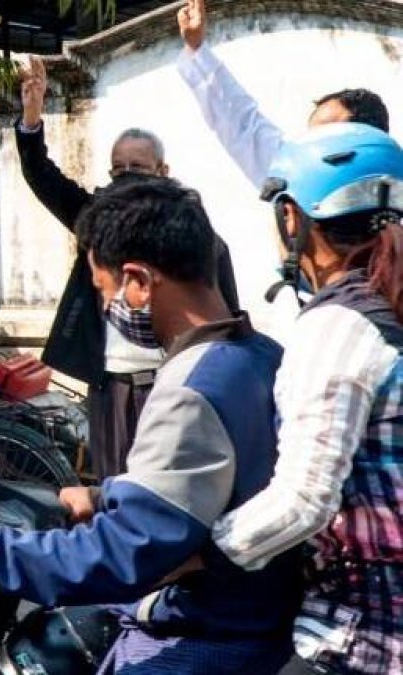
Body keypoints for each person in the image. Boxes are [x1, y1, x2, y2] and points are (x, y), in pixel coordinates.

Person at [0, 177, 302, 674]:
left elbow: (127, 552)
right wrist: (104, 496)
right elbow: (214, 490)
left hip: (209, 632)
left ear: (139, 280)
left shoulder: (190, 388)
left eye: (103, 290)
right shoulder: (263, 355)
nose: (106, 308)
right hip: (262, 617)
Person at [203, 123, 403, 673]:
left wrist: (197, 555)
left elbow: (302, 501)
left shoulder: (338, 328)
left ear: (291, 217)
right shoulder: (385, 306)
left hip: (362, 641)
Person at [16, 57, 240, 480]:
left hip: (175, 381)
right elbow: (42, 176)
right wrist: (31, 116)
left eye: (137, 168)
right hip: (112, 385)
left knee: (170, 484)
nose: (127, 177)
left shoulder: (190, 230)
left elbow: (220, 306)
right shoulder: (96, 218)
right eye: (118, 169)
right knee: (114, 486)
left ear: (163, 172)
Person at [177, 0, 390, 188]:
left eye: (327, 135)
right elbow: (242, 124)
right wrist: (197, 48)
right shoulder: (296, 172)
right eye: (312, 136)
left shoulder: (394, 195)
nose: (315, 145)